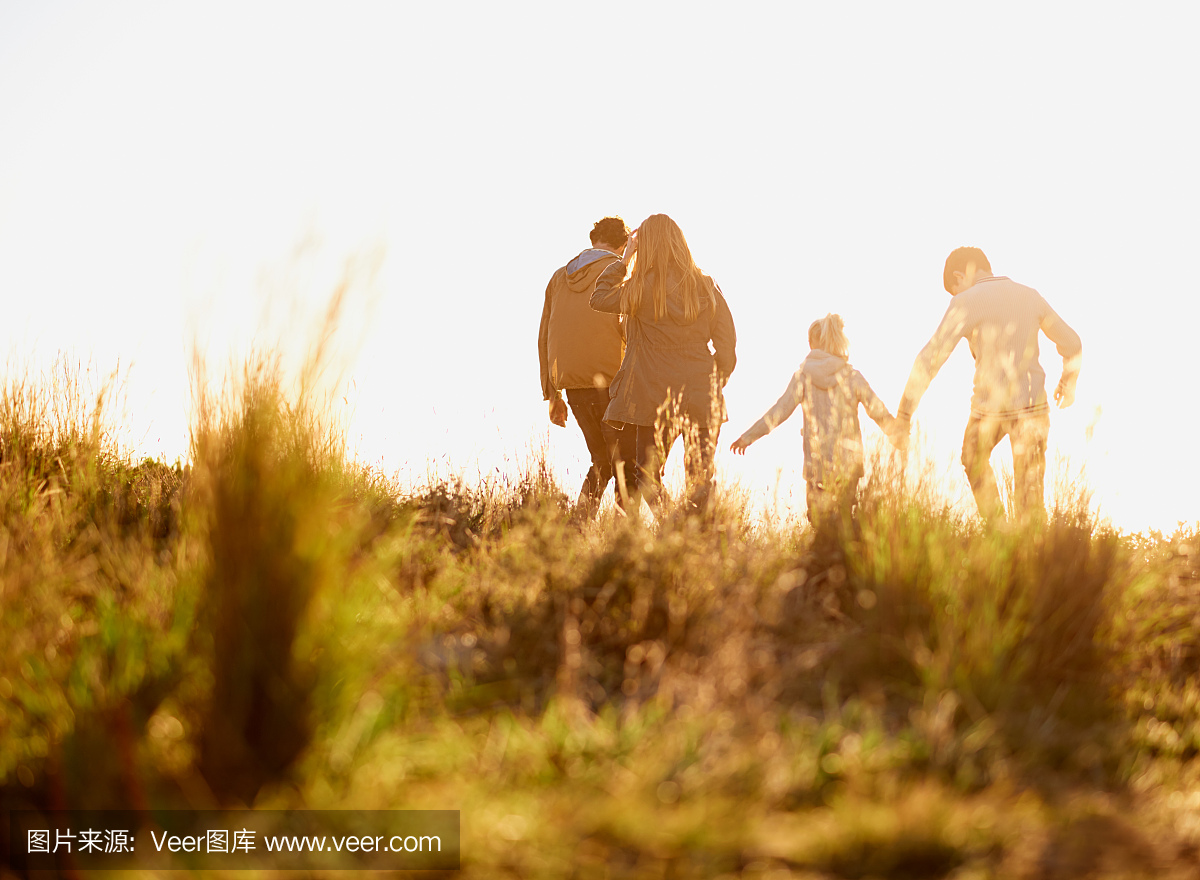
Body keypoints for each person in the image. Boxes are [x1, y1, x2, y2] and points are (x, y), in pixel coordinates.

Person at [895, 246, 1082, 521]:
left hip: (988, 409)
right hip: (1034, 407)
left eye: (954, 291)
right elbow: (1073, 343)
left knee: (973, 458)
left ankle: (998, 529)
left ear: (960, 276)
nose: (955, 297)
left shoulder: (965, 301)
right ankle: (1033, 542)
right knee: (1030, 501)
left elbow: (929, 360)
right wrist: (1068, 382)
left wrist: (904, 415)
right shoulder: (1030, 296)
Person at [590, 214, 737, 514]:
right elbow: (727, 347)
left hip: (654, 397)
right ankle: (695, 533)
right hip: (701, 393)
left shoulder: (639, 289)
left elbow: (599, 298)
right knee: (700, 478)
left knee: (646, 475)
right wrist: (712, 383)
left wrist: (624, 260)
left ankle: (673, 527)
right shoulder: (706, 285)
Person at [730, 314, 900, 538]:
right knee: (844, 523)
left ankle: (836, 554)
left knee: (820, 523)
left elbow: (778, 412)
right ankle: (855, 551)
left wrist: (749, 437)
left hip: (817, 467)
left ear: (812, 343)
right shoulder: (851, 376)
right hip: (849, 465)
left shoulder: (804, 377)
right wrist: (897, 433)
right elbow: (877, 410)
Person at [538, 216, 638, 516]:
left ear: (594, 240)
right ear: (623, 244)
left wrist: (553, 394)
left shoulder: (559, 277)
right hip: (614, 383)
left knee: (603, 461)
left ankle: (579, 525)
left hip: (574, 385)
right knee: (627, 462)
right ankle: (624, 534)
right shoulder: (620, 271)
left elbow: (545, 336)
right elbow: (631, 328)